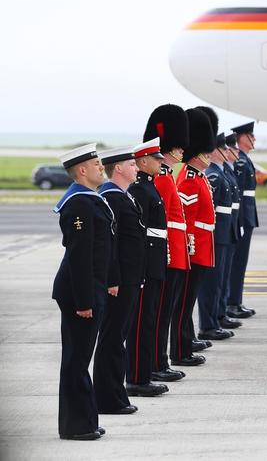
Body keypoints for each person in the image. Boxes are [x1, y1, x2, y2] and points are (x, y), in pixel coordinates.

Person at [52, 143, 112, 440]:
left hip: (91, 288)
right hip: (80, 293)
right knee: (76, 360)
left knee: (80, 359)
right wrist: (85, 301)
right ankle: (76, 426)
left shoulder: (89, 200)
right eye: (97, 164)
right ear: (82, 170)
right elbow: (79, 256)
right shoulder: (78, 204)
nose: (102, 167)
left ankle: (86, 420)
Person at [142, 104, 194, 381]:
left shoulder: (167, 176)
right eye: (178, 147)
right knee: (159, 314)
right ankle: (155, 362)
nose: (182, 151)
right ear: (169, 148)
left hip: (175, 252)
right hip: (167, 254)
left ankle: (160, 361)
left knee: (164, 312)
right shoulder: (160, 178)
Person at [93, 146, 144, 415]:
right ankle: (107, 398)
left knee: (118, 338)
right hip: (119, 282)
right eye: (132, 164)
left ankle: (116, 394)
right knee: (111, 338)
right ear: (119, 169)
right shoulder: (111, 197)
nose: (137, 168)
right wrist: (113, 279)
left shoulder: (124, 196)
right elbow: (109, 243)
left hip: (130, 278)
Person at [125, 138, 169, 397]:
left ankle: (145, 373)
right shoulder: (141, 190)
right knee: (141, 322)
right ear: (142, 162)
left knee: (149, 320)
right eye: (156, 159)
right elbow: (138, 234)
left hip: (155, 262)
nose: (160, 162)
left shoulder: (150, 187)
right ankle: (137, 379)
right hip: (146, 264)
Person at [173, 108, 217, 367]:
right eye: (206, 150)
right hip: (194, 249)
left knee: (188, 303)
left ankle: (185, 345)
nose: (209, 154)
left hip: (201, 247)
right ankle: (180, 350)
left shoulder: (198, 176)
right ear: (196, 153)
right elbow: (187, 219)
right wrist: (188, 249)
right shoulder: (189, 178)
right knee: (183, 305)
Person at [197, 132, 237, 341]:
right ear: (216, 151)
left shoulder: (219, 172)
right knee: (212, 282)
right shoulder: (213, 174)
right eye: (224, 148)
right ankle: (208, 324)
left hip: (225, 231)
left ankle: (214, 319)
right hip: (217, 232)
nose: (228, 152)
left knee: (219, 281)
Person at [228, 120, 259, 318]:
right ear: (243, 138)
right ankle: (232, 302)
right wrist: (238, 221)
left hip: (247, 214)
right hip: (242, 215)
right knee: (237, 261)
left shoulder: (244, 159)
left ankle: (236, 301)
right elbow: (236, 194)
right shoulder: (240, 160)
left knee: (241, 261)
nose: (254, 139)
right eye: (251, 136)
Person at [221, 129, 246, 322]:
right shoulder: (218, 174)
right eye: (232, 149)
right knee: (217, 278)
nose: (236, 153)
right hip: (222, 230)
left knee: (225, 273)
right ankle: (218, 315)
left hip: (230, 225)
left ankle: (221, 313)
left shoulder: (227, 171)